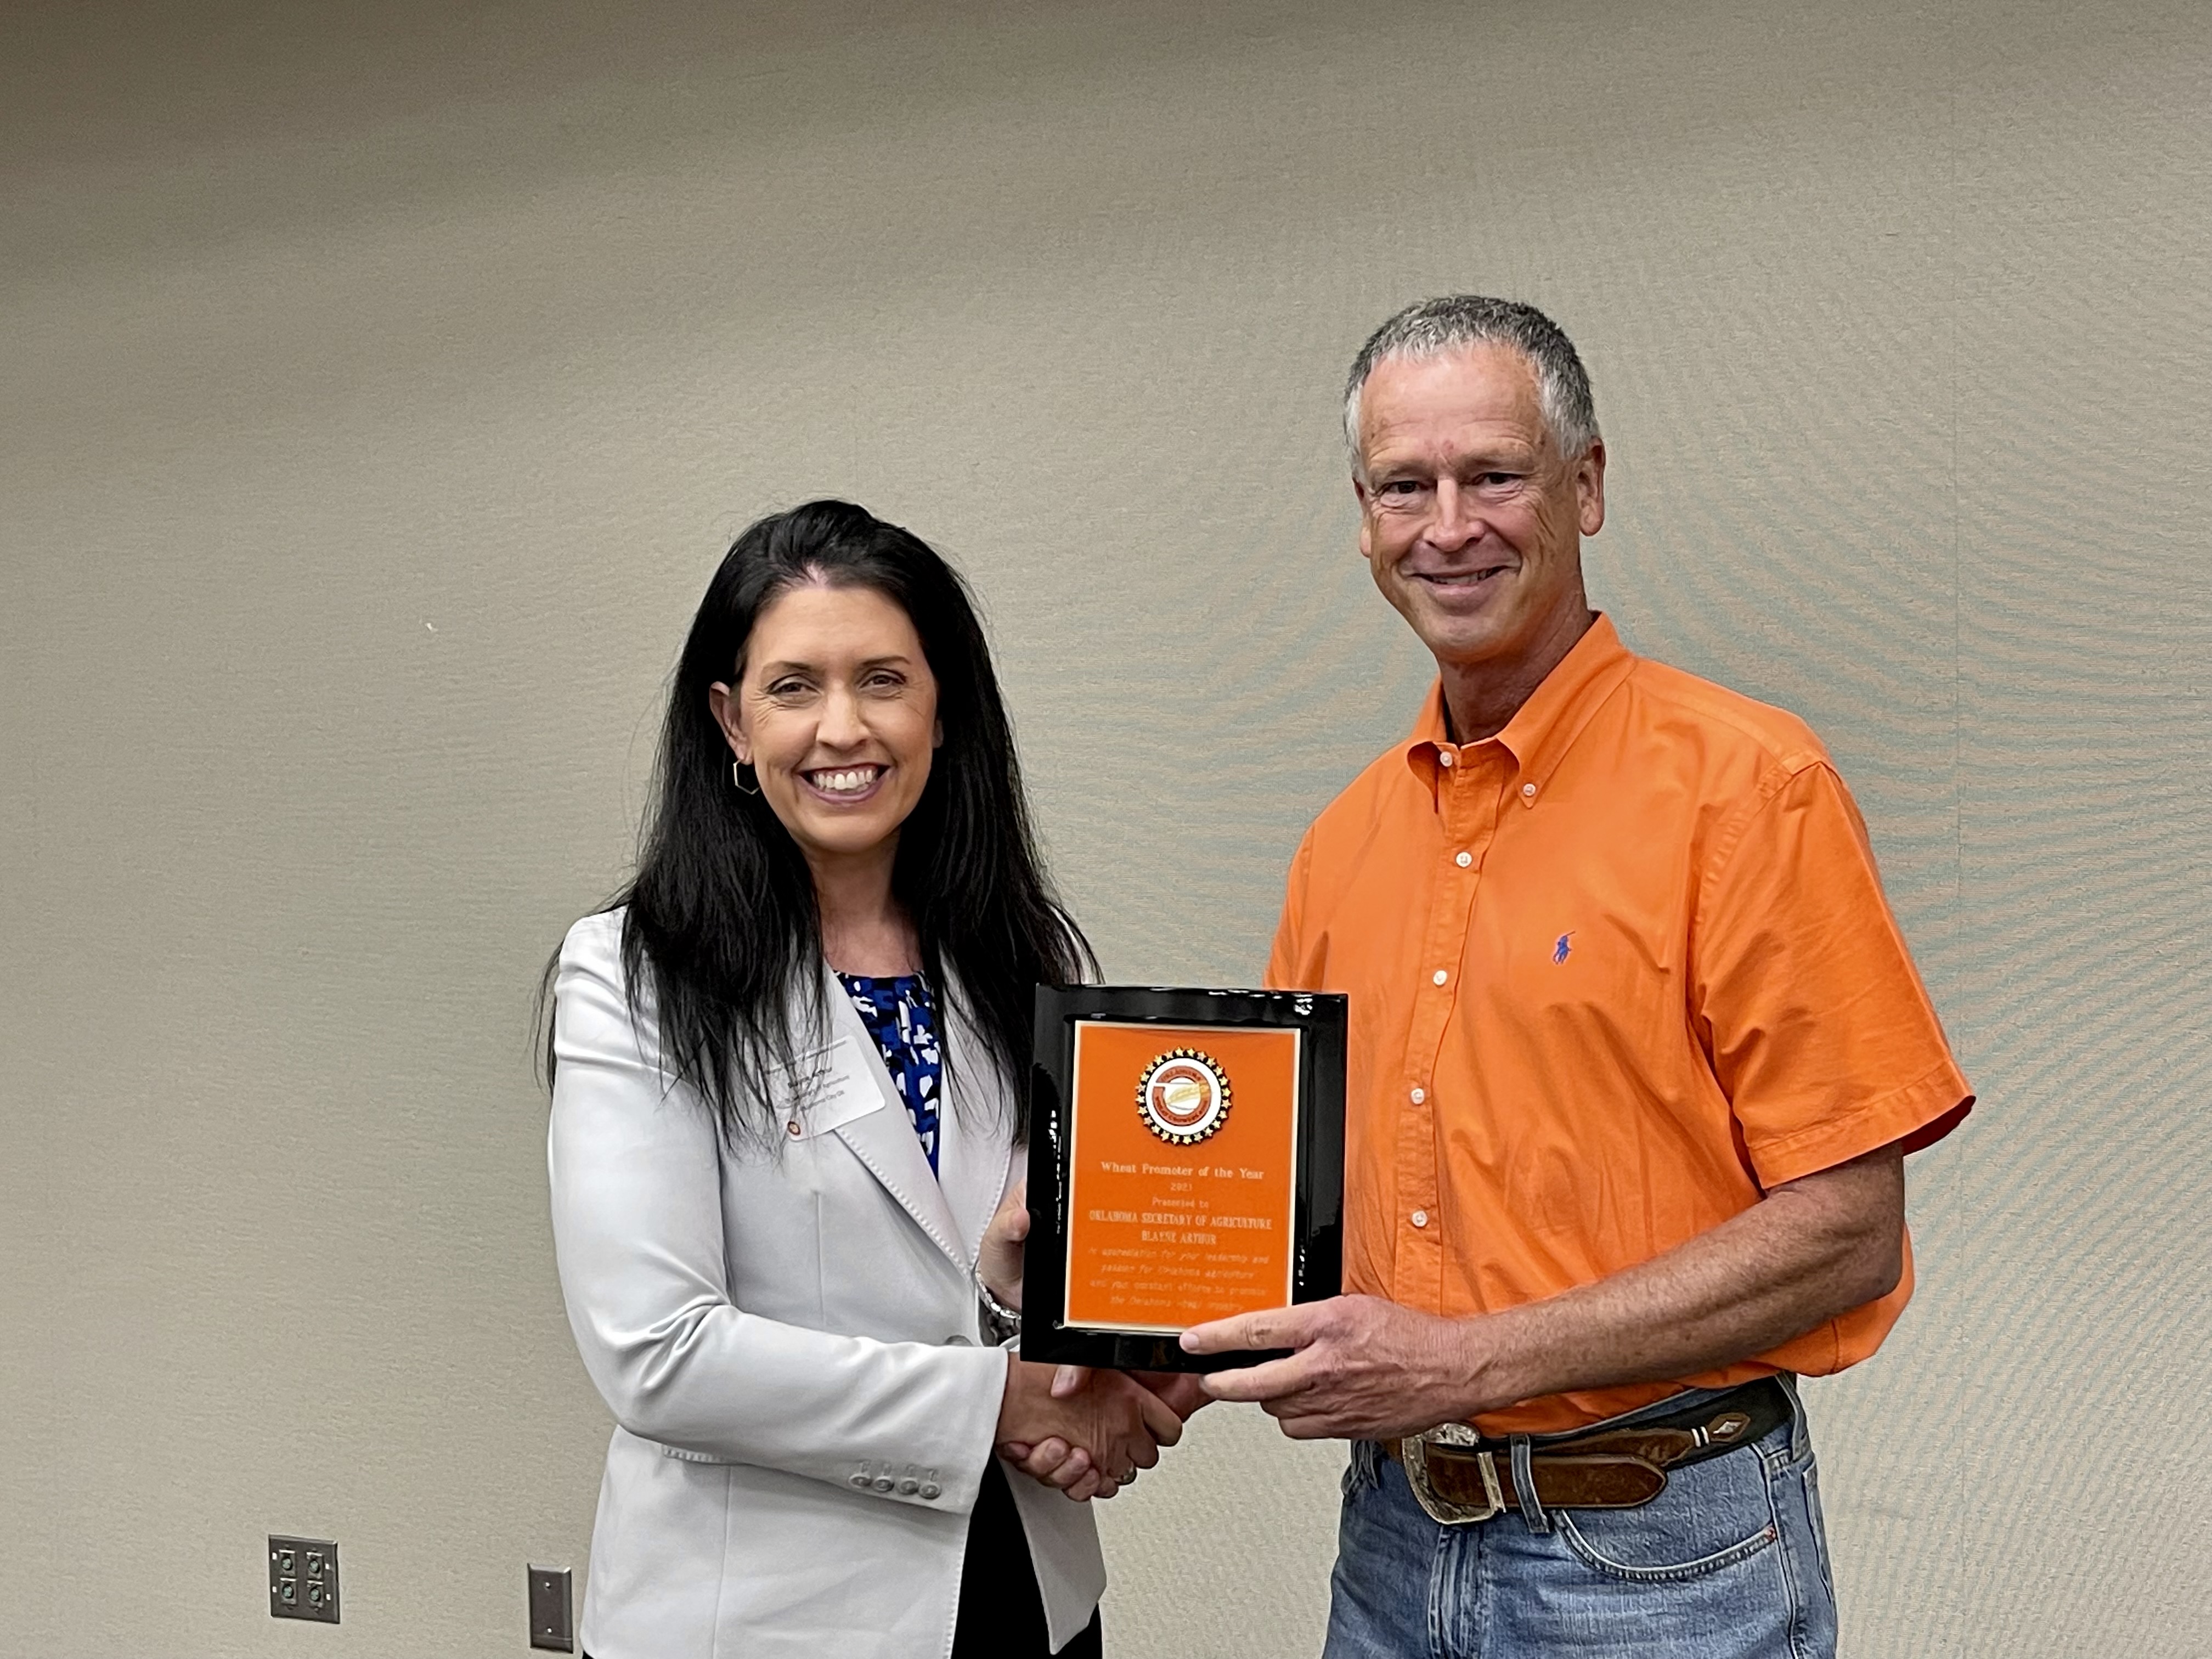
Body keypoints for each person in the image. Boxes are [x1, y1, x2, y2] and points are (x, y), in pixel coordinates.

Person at [1183, 296, 1973, 1658]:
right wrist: (1081, 1320)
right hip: (1394, 1542)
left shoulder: (1748, 789)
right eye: (1402, 486)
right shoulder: (1343, 844)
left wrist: (1466, 1363)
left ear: (1586, 487)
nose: (1448, 526)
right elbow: (1267, 1220)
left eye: (1493, 475)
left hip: (1666, 1557)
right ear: (1363, 518)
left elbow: (1851, 1229)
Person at [544, 500, 1184, 1659]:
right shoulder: (640, 974)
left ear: (943, 709)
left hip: (1023, 1593)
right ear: (731, 722)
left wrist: (1076, 1336)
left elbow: (980, 1287)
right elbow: (661, 1355)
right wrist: (1001, 1402)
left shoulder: (1020, 959)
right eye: (794, 688)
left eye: (884, 679)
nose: (843, 729)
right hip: (769, 1623)